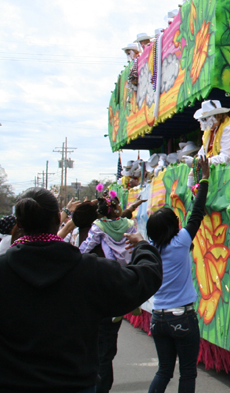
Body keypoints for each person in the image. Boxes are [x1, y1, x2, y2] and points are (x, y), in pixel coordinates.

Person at [0, 187, 162, 393]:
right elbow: (144, 279)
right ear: (58, 219)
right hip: (75, 384)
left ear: (19, 223)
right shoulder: (88, 269)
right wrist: (142, 246)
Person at [126, 157, 210, 393]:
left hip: (158, 319)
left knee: (163, 371)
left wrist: (140, 240)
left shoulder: (151, 249)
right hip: (182, 318)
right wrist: (204, 178)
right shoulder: (181, 241)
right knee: (188, 373)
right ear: (174, 227)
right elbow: (197, 212)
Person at [79, 192, 138, 393]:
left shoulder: (98, 226)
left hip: (100, 286)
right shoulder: (128, 225)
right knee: (108, 349)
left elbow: (87, 247)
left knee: (93, 345)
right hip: (120, 278)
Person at [194, 100, 230, 165]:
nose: (204, 123)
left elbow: (226, 159)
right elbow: (203, 152)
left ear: (218, 116)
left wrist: (200, 162)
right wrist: (196, 160)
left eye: (206, 119)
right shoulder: (209, 130)